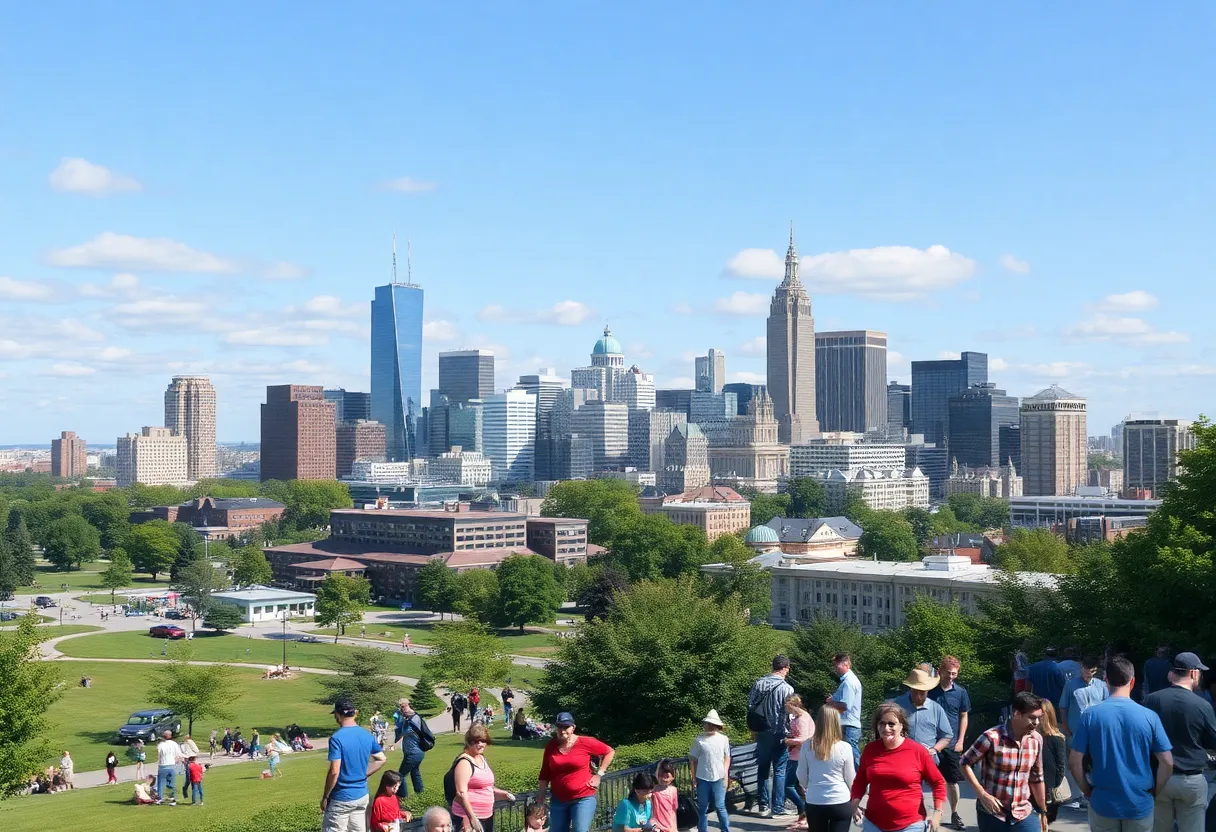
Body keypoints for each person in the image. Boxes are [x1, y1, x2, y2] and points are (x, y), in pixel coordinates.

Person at [1069, 656, 1174, 832]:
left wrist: (1087, 791)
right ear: (1132, 681)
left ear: (1106, 680)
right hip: (1139, 802)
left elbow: (1074, 761)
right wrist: (1155, 791)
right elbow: (1167, 762)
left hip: (1103, 801)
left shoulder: (1090, 715)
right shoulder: (1149, 716)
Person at [1144, 651, 1216, 832]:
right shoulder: (1202, 705)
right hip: (1191, 779)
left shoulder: (1151, 700)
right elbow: (1213, 741)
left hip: (1159, 778)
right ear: (1193, 673)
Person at [849, 702, 947, 832]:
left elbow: (938, 782)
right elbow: (860, 781)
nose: (886, 728)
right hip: (874, 823)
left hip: (910, 825)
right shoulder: (870, 750)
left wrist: (937, 814)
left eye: (891, 724)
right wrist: (854, 804)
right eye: (882, 723)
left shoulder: (917, 751)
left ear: (902, 726)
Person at [960, 691, 1047, 832]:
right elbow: (964, 763)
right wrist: (982, 794)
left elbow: (1037, 777)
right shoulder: (991, 737)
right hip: (993, 814)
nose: (1036, 723)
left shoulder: (1036, 740)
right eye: (1032, 718)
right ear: (1017, 714)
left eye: (1039, 718)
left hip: (1023, 813)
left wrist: (1043, 812)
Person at [538, 711, 616, 832]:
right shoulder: (551, 746)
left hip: (583, 797)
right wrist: (541, 797)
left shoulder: (585, 742)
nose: (562, 730)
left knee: (580, 830)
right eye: (559, 727)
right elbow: (545, 772)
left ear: (573, 728)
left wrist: (599, 774)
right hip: (559, 799)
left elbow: (609, 751)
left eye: (566, 727)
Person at [322, 697, 388, 832]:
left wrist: (325, 796)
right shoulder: (366, 734)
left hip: (342, 797)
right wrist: (363, 773)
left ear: (338, 714)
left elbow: (335, 771)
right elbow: (381, 759)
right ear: (354, 713)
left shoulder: (337, 738)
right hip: (361, 795)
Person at [747, 654, 797, 817]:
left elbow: (750, 706)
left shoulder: (758, 683)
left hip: (761, 731)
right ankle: (777, 808)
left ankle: (762, 805)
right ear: (786, 668)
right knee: (779, 770)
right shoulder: (787, 689)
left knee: (762, 768)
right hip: (779, 733)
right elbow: (790, 713)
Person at [1058, 655, 1108, 809]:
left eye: (1092, 671)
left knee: (1095, 762)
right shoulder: (1071, 685)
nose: (1089, 674)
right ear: (1082, 668)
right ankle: (1077, 795)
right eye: (1087, 670)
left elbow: (1107, 706)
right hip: (1076, 730)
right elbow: (1063, 706)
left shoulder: (1101, 685)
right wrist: (1065, 725)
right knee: (1076, 763)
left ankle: (1094, 793)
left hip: (1096, 731)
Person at [928, 657, 971, 832]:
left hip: (953, 743)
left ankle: (954, 813)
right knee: (931, 780)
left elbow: (964, 716)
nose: (951, 677)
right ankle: (933, 813)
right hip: (931, 743)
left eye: (954, 674)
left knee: (953, 781)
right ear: (940, 671)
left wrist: (961, 740)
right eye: (948, 673)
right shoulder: (930, 691)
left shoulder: (961, 692)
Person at [797, 705, 856, 832]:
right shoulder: (845, 747)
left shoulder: (807, 745)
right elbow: (850, 778)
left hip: (815, 800)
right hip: (840, 800)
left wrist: (810, 786)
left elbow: (801, 774)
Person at [452, 723, 517, 832]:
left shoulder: (481, 758)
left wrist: (502, 793)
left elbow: (486, 787)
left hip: (486, 815)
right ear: (469, 742)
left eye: (483, 741)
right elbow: (461, 793)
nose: (481, 744)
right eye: (477, 741)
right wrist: (472, 818)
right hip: (468, 818)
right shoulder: (464, 762)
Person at [892, 667, 953, 763]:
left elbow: (947, 735)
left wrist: (934, 750)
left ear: (928, 690)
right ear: (910, 688)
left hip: (927, 761)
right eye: (915, 691)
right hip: (900, 759)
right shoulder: (896, 705)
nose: (918, 696)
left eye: (922, 692)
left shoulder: (936, 709)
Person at [690, 709, 732, 832]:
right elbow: (693, 760)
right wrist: (694, 778)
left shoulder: (723, 739)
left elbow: (727, 756)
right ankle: (702, 830)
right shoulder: (699, 740)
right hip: (702, 776)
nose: (707, 726)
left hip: (719, 776)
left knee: (720, 806)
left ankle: (725, 829)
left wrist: (725, 771)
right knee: (703, 807)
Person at [825, 653, 863, 767]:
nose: (835, 668)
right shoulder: (848, 681)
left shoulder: (848, 682)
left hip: (848, 725)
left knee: (851, 756)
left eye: (837, 665)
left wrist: (831, 703)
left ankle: (860, 781)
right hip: (848, 724)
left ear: (845, 664)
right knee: (848, 756)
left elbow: (845, 705)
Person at [783, 694, 814, 828]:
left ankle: (804, 810)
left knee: (788, 785)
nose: (785, 707)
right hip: (795, 754)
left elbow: (804, 739)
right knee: (797, 786)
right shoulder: (798, 717)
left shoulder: (802, 718)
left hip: (800, 756)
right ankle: (803, 813)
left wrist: (788, 741)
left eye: (787, 705)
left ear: (792, 704)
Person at [1037, 701, 1068, 827]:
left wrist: (1056, 784)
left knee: (1048, 817)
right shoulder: (1031, 736)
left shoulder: (1057, 738)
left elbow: (1060, 764)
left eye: (1041, 714)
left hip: (1050, 784)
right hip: (1034, 783)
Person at [395, 697, 430, 797]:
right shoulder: (411, 717)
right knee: (415, 771)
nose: (403, 710)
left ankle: (403, 797)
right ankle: (420, 794)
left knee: (400, 775)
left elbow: (402, 733)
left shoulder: (412, 718)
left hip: (413, 752)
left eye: (403, 707)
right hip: (417, 752)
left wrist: (401, 721)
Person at [1026, 649, 1066, 715]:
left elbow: (1028, 687)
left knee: (1040, 722)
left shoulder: (1033, 667)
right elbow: (1063, 686)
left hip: (1038, 702)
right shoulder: (1058, 668)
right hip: (1054, 703)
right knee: (1054, 722)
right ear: (1055, 657)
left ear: (1044, 655)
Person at [651, 759, 679, 832]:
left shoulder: (673, 790)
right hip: (657, 825)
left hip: (669, 824)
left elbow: (674, 810)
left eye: (667, 777)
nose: (664, 779)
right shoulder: (653, 791)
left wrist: (674, 827)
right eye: (662, 776)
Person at [155, 730, 180, 805]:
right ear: (171, 736)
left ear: (163, 736)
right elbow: (178, 755)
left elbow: (158, 756)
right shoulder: (174, 744)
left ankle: (160, 798)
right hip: (171, 765)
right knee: (171, 783)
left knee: (161, 783)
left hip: (163, 765)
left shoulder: (160, 745)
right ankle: (173, 799)